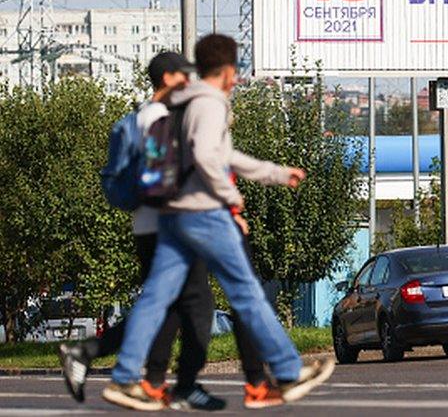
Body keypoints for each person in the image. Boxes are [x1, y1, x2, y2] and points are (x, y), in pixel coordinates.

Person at [102, 34, 333, 410]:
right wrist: (230, 198)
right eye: (236, 71)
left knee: (157, 297)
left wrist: (274, 172)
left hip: (173, 215)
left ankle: (127, 379)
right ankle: (288, 371)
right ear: (227, 70)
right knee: (247, 293)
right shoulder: (209, 103)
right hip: (204, 213)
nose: (237, 79)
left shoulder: (182, 102)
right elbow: (209, 156)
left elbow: (224, 154)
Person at [59, 52, 228, 410]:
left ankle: (143, 376)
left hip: (149, 225)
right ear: (168, 79)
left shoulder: (136, 119)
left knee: (167, 306)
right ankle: (177, 383)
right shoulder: (163, 119)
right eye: (186, 77)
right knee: (197, 305)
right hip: (174, 224)